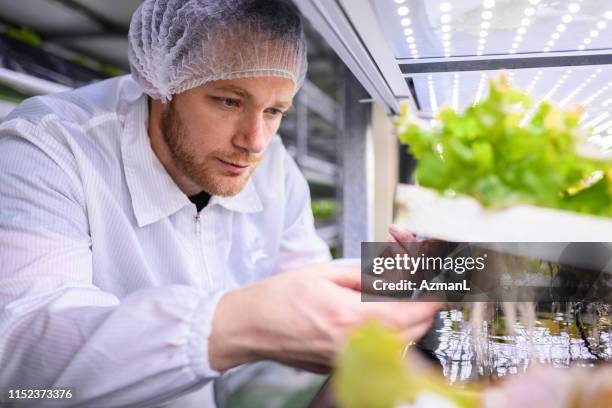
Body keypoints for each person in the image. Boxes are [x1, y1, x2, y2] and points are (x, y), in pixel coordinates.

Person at [0, 0, 442, 406]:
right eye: (229, 100)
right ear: (163, 83)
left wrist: (377, 282)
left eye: (274, 112)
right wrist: (232, 325)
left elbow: (300, 278)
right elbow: (21, 360)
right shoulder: (49, 148)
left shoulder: (273, 169)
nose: (255, 142)